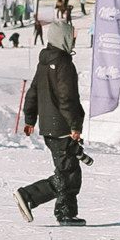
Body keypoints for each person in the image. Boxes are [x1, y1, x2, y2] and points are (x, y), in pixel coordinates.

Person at [17, 20, 88, 226]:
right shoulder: (64, 63)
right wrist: (75, 126)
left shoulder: (44, 62)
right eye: (71, 36)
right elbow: (67, 98)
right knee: (68, 174)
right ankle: (29, 195)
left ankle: (66, 213)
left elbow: (32, 92)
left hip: (50, 128)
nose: (74, 40)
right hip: (62, 127)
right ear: (62, 38)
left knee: (69, 169)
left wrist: (30, 119)